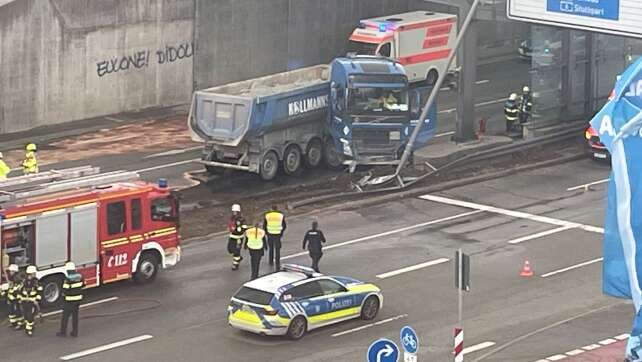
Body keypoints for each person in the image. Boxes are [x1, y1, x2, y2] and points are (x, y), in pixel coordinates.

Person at [57, 262, 84, 338]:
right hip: (78, 300)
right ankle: (75, 332)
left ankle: (63, 332)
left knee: (65, 317)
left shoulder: (67, 279)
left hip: (69, 301)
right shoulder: (80, 277)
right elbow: (83, 285)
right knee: (75, 317)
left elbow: (64, 290)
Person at [19, 265, 42, 337]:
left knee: (30, 316)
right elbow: (20, 291)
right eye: (33, 273)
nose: (34, 274)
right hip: (24, 301)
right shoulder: (24, 281)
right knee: (25, 315)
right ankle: (27, 327)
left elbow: (40, 292)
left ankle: (30, 329)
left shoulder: (36, 282)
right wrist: (20, 299)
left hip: (32, 302)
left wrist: (37, 300)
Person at [1, 264, 24, 330]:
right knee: (11, 311)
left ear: (15, 272)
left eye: (11, 271)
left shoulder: (18, 281)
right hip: (11, 298)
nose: (10, 273)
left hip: (16, 299)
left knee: (18, 311)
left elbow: (16, 290)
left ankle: (20, 324)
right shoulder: (13, 279)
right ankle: (14, 323)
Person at [263, 205, 286, 270]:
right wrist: (281, 232)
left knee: (271, 248)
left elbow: (264, 226)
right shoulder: (280, 215)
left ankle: (270, 261)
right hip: (278, 234)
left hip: (270, 234)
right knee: (277, 249)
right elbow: (284, 225)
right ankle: (277, 263)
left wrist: (267, 233)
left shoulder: (267, 215)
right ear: (276, 209)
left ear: (271, 209)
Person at [227, 204, 247, 270]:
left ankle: (235, 264)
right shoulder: (232, 218)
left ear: (238, 211)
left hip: (239, 237)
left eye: (235, 211)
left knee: (236, 251)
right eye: (233, 211)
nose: (234, 213)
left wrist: (239, 229)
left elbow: (244, 228)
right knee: (230, 249)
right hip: (232, 236)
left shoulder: (242, 219)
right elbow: (230, 224)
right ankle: (239, 257)